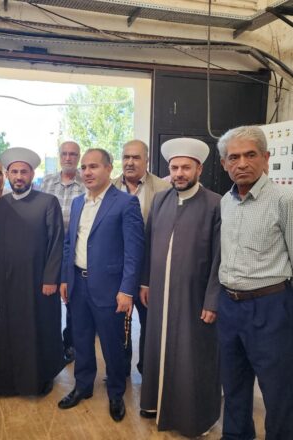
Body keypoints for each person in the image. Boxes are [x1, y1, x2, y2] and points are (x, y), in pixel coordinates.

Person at [139, 138, 221, 437]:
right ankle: (155, 403)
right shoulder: (161, 200)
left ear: (199, 169)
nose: (179, 173)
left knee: (192, 355)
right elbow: (148, 243)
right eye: (174, 168)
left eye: (186, 167)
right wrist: (145, 281)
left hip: (194, 297)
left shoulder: (215, 203)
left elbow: (220, 257)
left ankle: (192, 418)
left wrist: (212, 300)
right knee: (157, 345)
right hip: (159, 292)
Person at [217, 125, 293, 440]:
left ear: (265, 157)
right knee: (233, 385)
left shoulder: (284, 200)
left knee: (278, 390)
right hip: (229, 306)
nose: (242, 164)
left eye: (250, 155)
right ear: (224, 164)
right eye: (233, 157)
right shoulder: (226, 202)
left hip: (270, 307)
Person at [0, 147, 65, 397]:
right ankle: (8, 382)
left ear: (32, 174)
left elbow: (57, 241)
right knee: (11, 330)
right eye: (14, 172)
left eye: (24, 172)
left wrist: (51, 278)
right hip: (9, 283)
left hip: (39, 282)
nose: (19, 176)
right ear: (8, 175)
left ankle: (41, 378)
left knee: (40, 329)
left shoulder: (48, 202)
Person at [58, 148, 144, 422]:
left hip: (110, 288)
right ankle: (83, 386)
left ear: (109, 169)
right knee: (81, 339)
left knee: (112, 344)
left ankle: (116, 392)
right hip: (78, 284)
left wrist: (127, 290)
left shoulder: (126, 203)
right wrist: (65, 277)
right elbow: (69, 243)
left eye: (93, 166)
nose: (87, 172)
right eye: (84, 167)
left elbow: (134, 251)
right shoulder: (78, 203)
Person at [113, 139, 170, 376]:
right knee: (118, 324)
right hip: (118, 272)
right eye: (126, 157)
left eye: (135, 157)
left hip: (150, 272)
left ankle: (147, 370)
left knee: (149, 325)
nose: (129, 162)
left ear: (146, 160)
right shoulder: (110, 187)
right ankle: (120, 369)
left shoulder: (163, 189)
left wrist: (147, 278)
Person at [41, 141, 85, 364]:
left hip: (74, 251)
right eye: (65, 154)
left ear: (78, 157)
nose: (68, 158)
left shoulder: (86, 184)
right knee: (48, 299)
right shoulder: (47, 182)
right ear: (59, 156)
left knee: (72, 301)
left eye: (73, 154)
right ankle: (50, 344)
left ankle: (70, 345)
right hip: (48, 250)